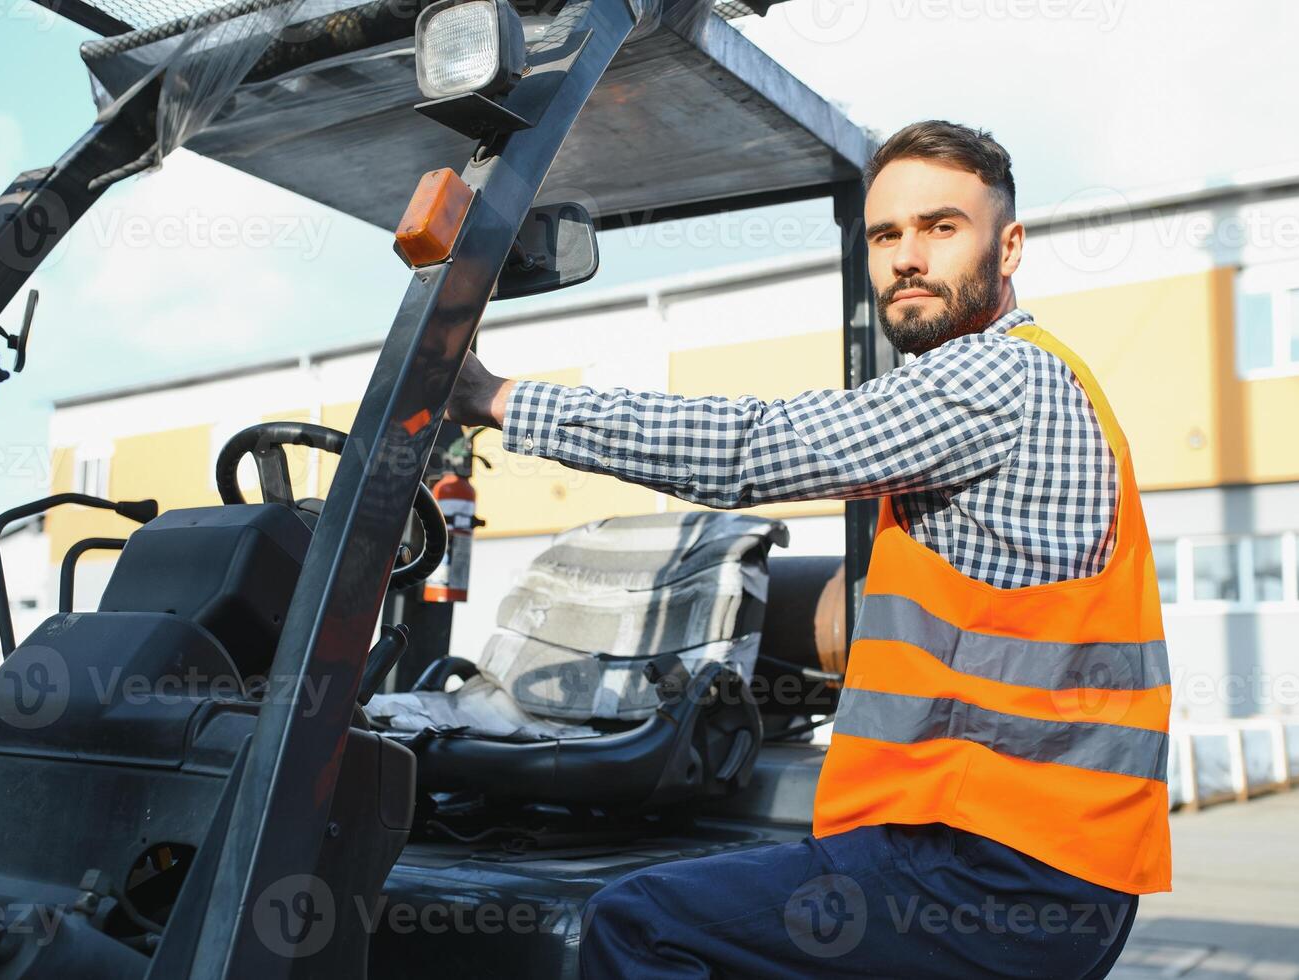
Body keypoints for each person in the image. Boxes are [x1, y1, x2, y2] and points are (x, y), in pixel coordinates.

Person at [446, 120, 1170, 979]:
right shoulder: (1029, 378)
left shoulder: (1000, 377)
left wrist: (496, 400)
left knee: (639, 925)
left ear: (1007, 248)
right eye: (885, 234)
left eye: (942, 228)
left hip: (994, 866)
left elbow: (756, 448)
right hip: (1019, 860)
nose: (907, 256)